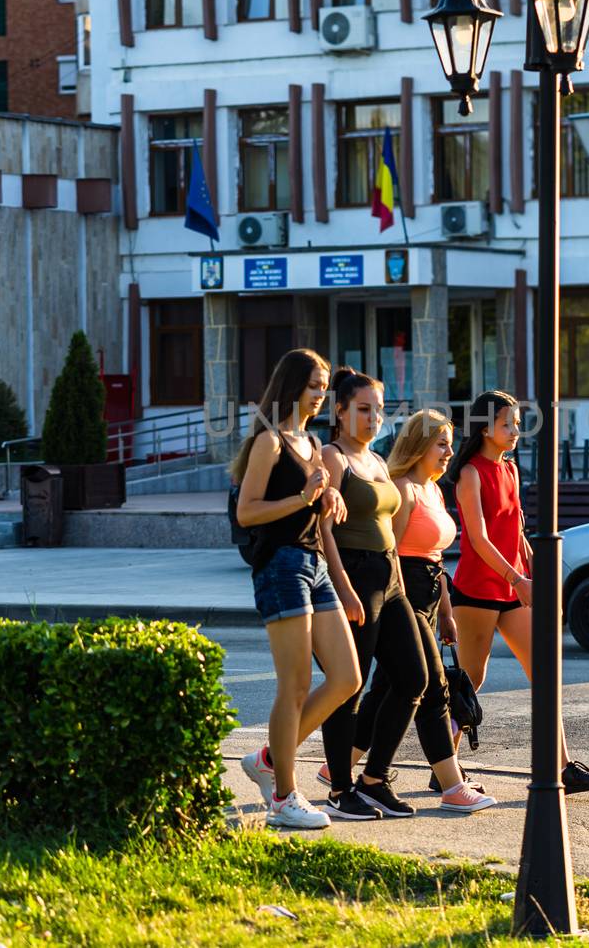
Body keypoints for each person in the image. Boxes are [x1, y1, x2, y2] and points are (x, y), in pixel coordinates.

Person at [321, 409, 497, 814]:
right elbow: (392, 552)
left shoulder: (433, 489)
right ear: (418, 445)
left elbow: (437, 557)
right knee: (431, 686)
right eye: (441, 443)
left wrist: (448, 612)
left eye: (450, 443)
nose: (449, 452)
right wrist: (393, 604)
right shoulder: (402, 489)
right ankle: (450, 785)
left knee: (390, 689)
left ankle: (346, 772)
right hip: (401, 593)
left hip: (430, 596)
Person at [451, 390, 589, 795]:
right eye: (508, 424)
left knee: (544, 672)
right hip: (477, 589)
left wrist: (531, 575)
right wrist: (516, 578)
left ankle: (562, 769)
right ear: (486, 428)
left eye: (518, 424)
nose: (516, 431)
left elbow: (516, 531)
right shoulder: (470, 473)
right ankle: (445, 767)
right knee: (470, 680)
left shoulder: (509, 470)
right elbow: (478, 538)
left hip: (512, 587)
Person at [233, 349, 359, 830]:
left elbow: (305, 502)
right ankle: (283, 796)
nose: (322, 394)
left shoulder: (310, 442)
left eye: (324, 386)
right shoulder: (269, 442)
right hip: (280, 565)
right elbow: (248, 513)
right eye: (315, 386)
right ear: (292, 387)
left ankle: (268, 760)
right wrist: (302, 497)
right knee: (296, 683)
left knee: (346, 677)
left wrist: (325, 500)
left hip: (314, 562)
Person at [314, 368, 429, 819]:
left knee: (413, 678)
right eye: (364, 410)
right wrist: (343, 589)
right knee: (349, 688)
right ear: (339, 411)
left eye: (379, 410)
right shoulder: (333, 456)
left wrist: (398, 580)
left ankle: (374, 779)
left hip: (391, 577)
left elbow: (388, 526)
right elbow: (324, 530)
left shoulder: (378, 461)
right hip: (354, 578)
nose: (373, 418)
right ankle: (340, 790)